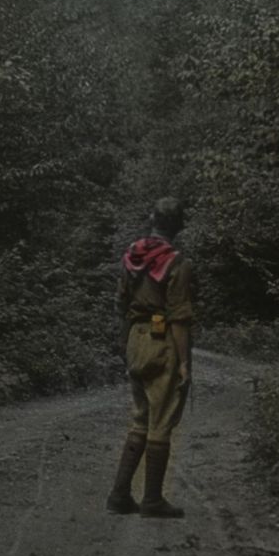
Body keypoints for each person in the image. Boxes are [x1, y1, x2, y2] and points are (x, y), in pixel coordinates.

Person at [106, 196, 193, 519]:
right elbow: (180, 318)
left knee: (140, 416)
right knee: (161, 419)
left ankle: (119, 494)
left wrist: (125, 341)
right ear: (178, 226)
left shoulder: (132, 255)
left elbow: (120, 303)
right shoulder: (177, 263)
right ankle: (153, 499)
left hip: (136, 339)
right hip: (162, 340)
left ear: (152, 220)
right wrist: (183, 362)